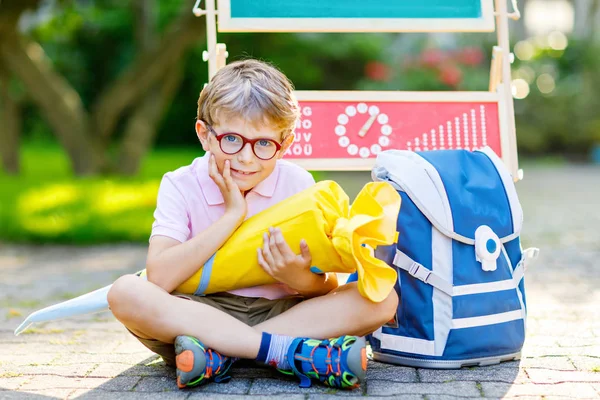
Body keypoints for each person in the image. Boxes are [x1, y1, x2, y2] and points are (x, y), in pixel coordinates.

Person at [107, 59, 398, 390]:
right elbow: (159, 277)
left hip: (282, 314)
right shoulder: (181, 184)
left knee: (382, 299)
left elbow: (327, 286)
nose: (246, 158)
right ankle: (287, 353)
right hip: (198, 311)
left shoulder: (297, 182)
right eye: (232, 139)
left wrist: (299, 278)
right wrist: (232, 216)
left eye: (263, 144)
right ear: (205, 135)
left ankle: (222, 353)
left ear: (285, 143)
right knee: (125, 292)